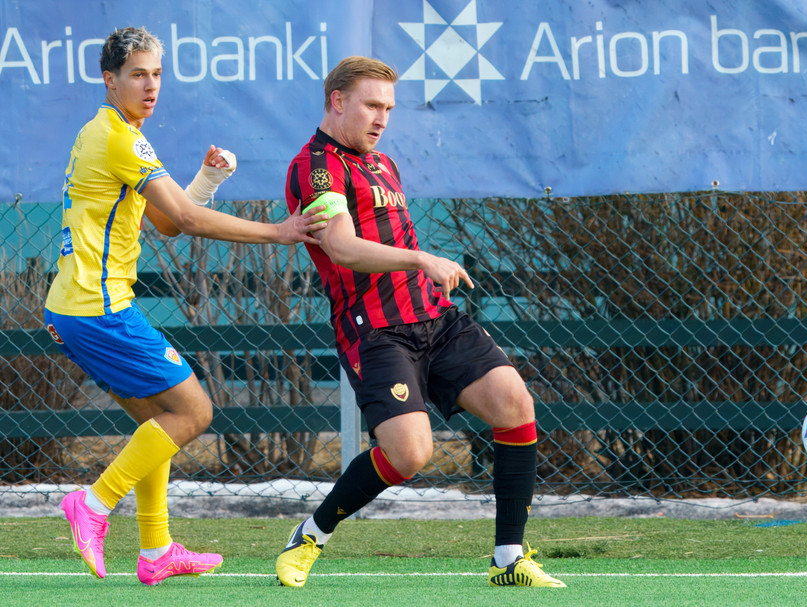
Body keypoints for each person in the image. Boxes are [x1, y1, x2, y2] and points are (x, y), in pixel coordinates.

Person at [45, 26, 327, 586]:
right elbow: (188, 222)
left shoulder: (111, 132)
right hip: (99, 309)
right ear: (110, 80)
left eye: (156, 74)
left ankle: (156, 550)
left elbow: (168, 221)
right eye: (137, 75)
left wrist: (206, 178)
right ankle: (93, 504)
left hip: (76, 308)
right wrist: (279, 231)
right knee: (194, 412)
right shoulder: (121, 139)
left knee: (158, 425)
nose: (151, 86)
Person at [276, 56, 565, 589]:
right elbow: (341, 248)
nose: (382, 118)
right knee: (409, 454)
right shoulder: (316, 167)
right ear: (337, 101)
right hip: (376, 329)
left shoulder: (381, 163)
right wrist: (420, 259)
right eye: (371, 105)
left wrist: (421, 273)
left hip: (434, 317)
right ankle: (311, 534)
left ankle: (508, 558)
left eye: (388, 108)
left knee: (514, 403)